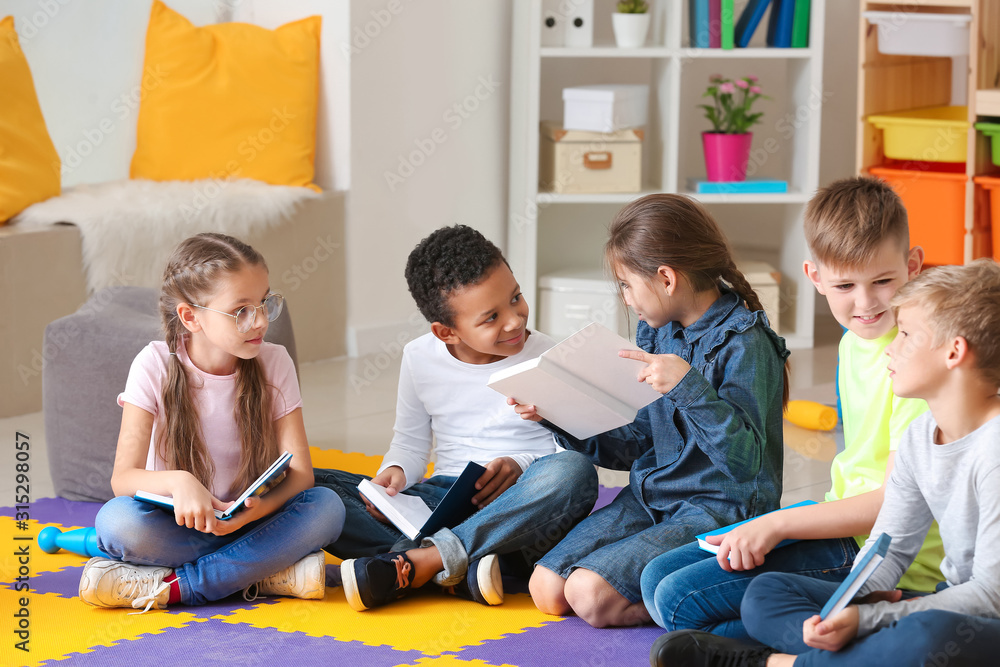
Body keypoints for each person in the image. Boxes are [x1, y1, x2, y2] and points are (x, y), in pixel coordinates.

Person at [641, 178, 945, 651]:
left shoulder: (914, 359)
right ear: (815, 277)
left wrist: (778, 524)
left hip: (884, 554)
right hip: (840, 521)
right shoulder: (852, 342)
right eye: (845, 285)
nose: (865, 303)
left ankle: (869, 631)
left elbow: (894, 504)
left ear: (913, 266)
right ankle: (845, 630)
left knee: (679, 603)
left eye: (883, 281)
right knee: (657, 578)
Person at [656, 260, 1000, 666]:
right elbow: (889, 546)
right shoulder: (921, 434)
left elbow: (990, 595)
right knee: (766, 595)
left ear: (954, 352)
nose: (891, 345)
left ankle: (775, 663)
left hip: (985, 616)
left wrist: (871, 617)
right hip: (945, 598)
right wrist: (850, 603)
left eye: (905, 334)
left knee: (928, 636)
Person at [510, 193, 789, 628]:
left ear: (666, 278)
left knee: (587, 595)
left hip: (717, 510)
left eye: (625, 284)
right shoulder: (656, 332)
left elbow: (745, 463)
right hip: (652, 497)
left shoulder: (745, 344)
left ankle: (702, 600)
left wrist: (688, 387)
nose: (625, 299)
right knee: (546, 589)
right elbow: (636, 444)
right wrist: (555, 414)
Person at [314, 224, 598, 611]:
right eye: (491, 317)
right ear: (445, 331)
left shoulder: (547, 357)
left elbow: (566, 445)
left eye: (516, 298)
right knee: (313, 487)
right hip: (443, 499)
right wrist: (394, 476)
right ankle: (462, 570)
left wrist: (519, 465)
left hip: (524, 507)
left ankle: (424, 561)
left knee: (574, 471)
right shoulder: (419, 357)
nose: (514, 320)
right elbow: (411, 441)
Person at [79, 233, 345, 613]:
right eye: (241, 310)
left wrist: (255, 512)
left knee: (328, 508)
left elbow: (302, 475)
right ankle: (264, 571)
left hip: (253, 521)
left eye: (264, 302)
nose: (260, 320)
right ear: (191, 317)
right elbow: (123, 477)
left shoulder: (276, 362)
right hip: (176, 527)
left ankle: (179, 587)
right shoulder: (153, 364)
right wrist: (179, 481)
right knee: (118, 523)